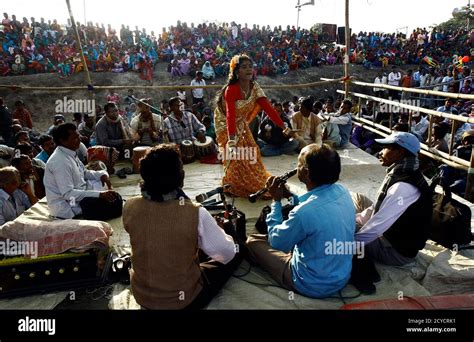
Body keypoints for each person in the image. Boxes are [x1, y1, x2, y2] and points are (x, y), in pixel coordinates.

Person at [123, 144, 240, 309]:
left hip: (143, 297)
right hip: (183, 301)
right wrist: (221, 231)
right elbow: (226, 254)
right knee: (236, 251)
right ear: (182, 177)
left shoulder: (129, 206)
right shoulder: (195, 212)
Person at [246, 144, 355, 298]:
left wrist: (276, 201)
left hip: (311, 284)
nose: (295, 168)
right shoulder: (343, 191)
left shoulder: (303, 213)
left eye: (298, 164)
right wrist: (289, 195)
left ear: (306, 172)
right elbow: (314, 207)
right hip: (342, 276)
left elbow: (277, 243)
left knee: (252, 242)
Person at [353, 132, 432, 266]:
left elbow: (377, 227)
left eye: (386, 148)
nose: (380, 152)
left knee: (340, 229)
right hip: (393, 233)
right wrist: (356, 218)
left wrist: (349, 244)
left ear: (400, 152)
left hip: (395, 252)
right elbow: (375, 208)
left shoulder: (403, 186)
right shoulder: (402, 172)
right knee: (358, 200)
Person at [214, 54, 286, 198]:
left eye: (250, 66)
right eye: (244, 67)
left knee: (252, 151)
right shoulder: (231, 90)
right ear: (236, 71)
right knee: (235, 156)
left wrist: (284, 127)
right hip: (225, 124)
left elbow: (268, 108)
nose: (248, 69)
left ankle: (252, 181)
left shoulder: (255, 87)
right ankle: (233, 184)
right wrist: (232, 139)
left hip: (241, 122)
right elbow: (230, 115)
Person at [43, 123, 120, 219]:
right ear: (62, 141)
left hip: (79, 193)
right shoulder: (59, 161)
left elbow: (83, 172)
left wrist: (102, 175)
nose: (79, 140)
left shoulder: (69, 152)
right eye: (75, 138)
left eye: (78, 136)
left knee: (111, 194)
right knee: (114, 204)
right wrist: (100, 195)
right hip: (68, 205)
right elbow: (68, 194)